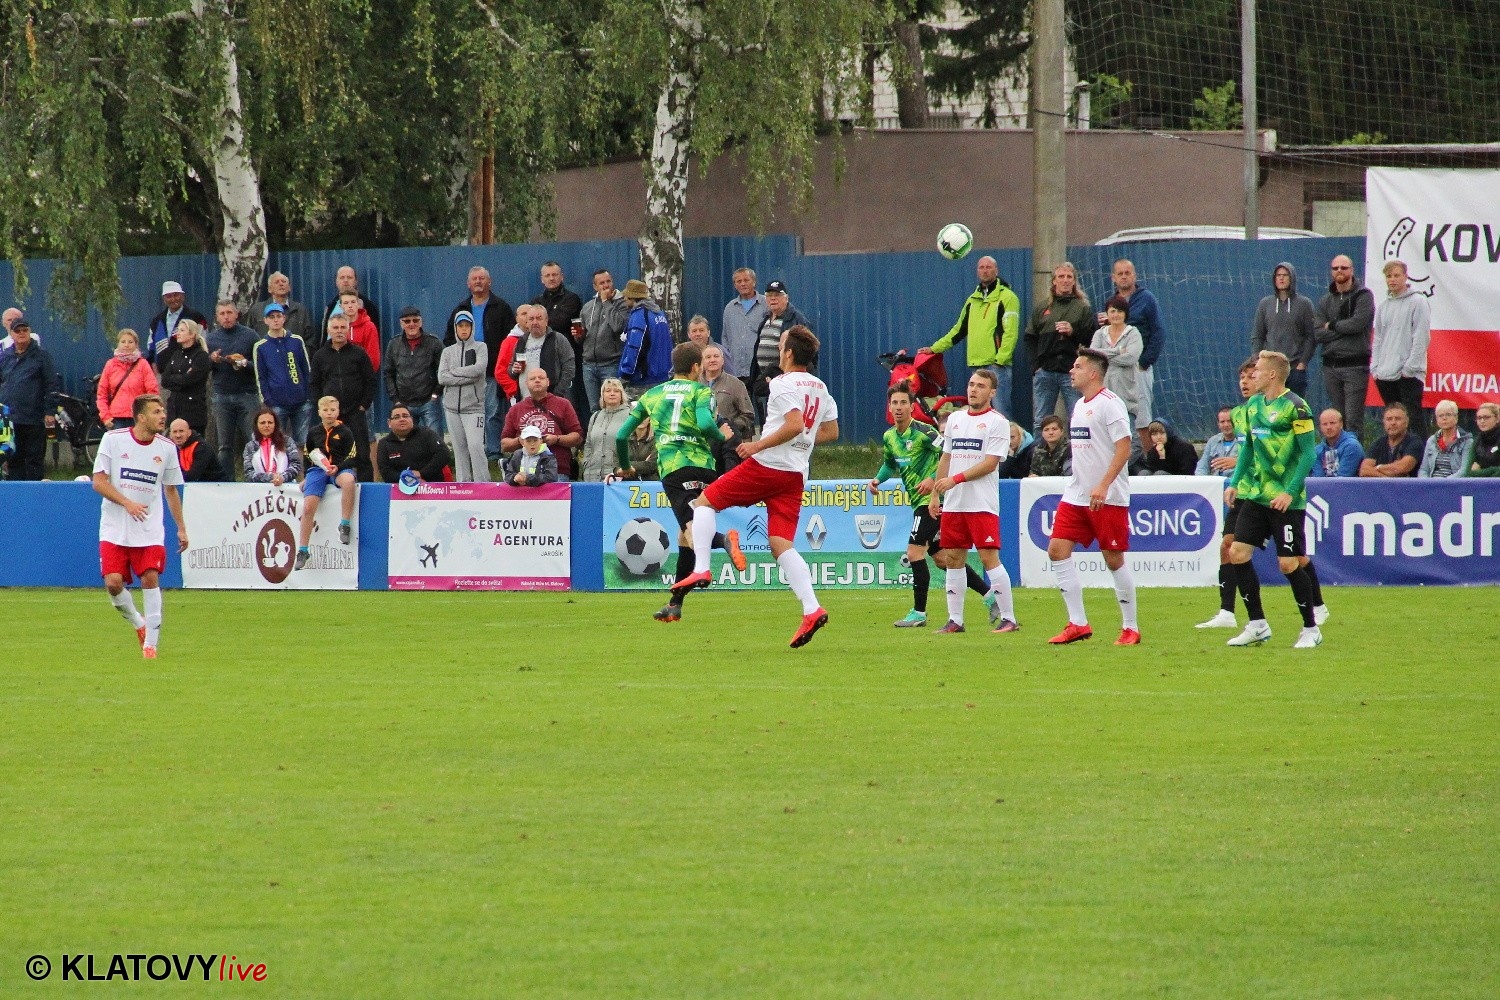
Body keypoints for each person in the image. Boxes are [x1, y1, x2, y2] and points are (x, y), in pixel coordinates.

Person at [673, 325, 839, 648]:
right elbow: (830, 432)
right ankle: (812, 609)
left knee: (705, 502)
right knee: (780, 544)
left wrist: (758, 445)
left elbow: (794, 424)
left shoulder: (782, 383)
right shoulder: (820, 387)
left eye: (781, 344)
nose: (778, 348)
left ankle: (702, 568)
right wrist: (800, 442)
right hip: (795, 474)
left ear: (788, 352)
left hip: (768, 466)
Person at [616, 343, 749, 622]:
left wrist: (626, 466)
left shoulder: (652, 395)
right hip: (704, 468)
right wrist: (721, 436)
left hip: (675, 469)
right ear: (696, 367)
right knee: (684, 536)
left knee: (690, 529)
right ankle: (675, 604)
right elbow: (706, 424)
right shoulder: (702, 391)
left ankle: (723, 540)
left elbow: (621, 435)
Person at [869, 384, 1003, 628]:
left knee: (914, 553)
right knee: (942, 558)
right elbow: (890, 464)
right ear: (889, 407)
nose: (898, 407)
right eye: (894, 403)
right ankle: (990, 596)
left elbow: (948, 454)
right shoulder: (889, 437)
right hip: (918, 501)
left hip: (932, 501)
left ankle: (919, 613)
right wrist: (878, 479)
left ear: (912, 407)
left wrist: (933, 479)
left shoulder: (924, 432)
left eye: (903, 403)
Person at [1223, 351, 1322, 649]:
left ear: (1273, 375)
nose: (1252, 375)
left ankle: (1311, 629)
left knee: (1288, 564)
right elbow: (1248, 449)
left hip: (1286, 501)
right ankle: (1257, 625)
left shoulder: (1297, 407)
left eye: (1257, 370)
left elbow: (1308, 454)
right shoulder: (1253, 406)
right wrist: (1235, 482)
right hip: (1257, 496)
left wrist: (1289, 491)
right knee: (1237, 552)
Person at [1046, 349, 1139, 645]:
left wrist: (1103, 485)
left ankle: (1131, 627)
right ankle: (1078, 623)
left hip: (1106, 496)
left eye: (1078, 366)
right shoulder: (1078, 406)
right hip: (1076, 495)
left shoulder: (1110, 404)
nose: (1071, 371)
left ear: (1093, 373)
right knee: (1057, 550)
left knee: (1113, 558)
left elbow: (1124, 447)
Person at [921, 368, 1020, 635]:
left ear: (992, 392)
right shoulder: (955, 419)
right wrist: (935, 494)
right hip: (955, 503)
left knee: (989, 558)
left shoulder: (997, 422)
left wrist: (955, 480)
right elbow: (946, 457)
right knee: (953, 558)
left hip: (981, 503)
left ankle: (1009, 618)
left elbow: (990, 463)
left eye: (981, 386)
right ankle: (955, 620)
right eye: (971, 384)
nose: (973, 389)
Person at [93, 394, 186, 659]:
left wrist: (181, 528)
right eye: (156, 412)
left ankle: (151, 646)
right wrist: (127, 503)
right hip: (115, 527)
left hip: (149, 528)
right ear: (141, 417)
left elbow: (171, 490)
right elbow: (98, 482)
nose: (163, 416)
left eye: (163, 411)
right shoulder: (113, 440)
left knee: (150, 577)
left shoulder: (167, 448)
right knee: (113, 584)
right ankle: (138, 622)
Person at [1197, 360, 1257, 630]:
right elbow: (1248, 451)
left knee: (1292, 560)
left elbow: (1273, 454)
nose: (1244, 382)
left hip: (1267, 492)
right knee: (1228, 547)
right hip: (1244, 490)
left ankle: (1314, 608)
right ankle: (1227, 612)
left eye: (1250, 376)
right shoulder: (1241, 414)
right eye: (1242, 377)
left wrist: (1237, 463)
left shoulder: (1277, 411)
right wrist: (1236, 480)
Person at [920, 256, 1020, 413]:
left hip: (997, 367)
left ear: (996, 270)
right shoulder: (972, 300)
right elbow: (958, 331)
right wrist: (934, 349)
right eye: (981, 267)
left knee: (1001, 412)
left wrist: (1000, 360)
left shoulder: (1007, 297)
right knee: (978, 410)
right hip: (976, 364)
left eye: (989, 267)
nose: (985, 270)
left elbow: (1011, 332)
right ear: (977, 271)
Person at [444, 266, 515, 464]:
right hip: (465, 372)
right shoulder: (461, 309)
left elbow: (510, 339)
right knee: (468, 411)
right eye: (474, 279)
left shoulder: (501, 307)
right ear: (468, 284)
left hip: (491, 370)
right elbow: (448, 339)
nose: (478, 282)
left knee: (492, 412)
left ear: (489, 282)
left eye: (482, 278)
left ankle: (493, 451)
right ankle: (470, 451)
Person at [1098, 259, 1166, 453]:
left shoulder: (1147, 299)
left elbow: (1159, 332)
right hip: (1114, 371)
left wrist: (1144, 362)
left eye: (1127, 273)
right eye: (1120, 273)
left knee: (1142, 418)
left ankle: (1146, 460)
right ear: (1113, 278)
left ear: (1134, 275)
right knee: (1115, 416)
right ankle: (1119, 459)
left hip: (1137, 369)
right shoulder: (1111, 302)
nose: (1124, 276)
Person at [1026, 262, 1094, 431]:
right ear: (1054, 281)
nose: (1065, 280)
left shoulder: (1083, 308)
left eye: (1069, 277)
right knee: (1041, 420)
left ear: (1074, 281)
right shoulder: (1042, 307)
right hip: (1045, 371)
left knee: (1077, 418)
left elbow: (1090, 340)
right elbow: (1029, 337)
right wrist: (1035, 366)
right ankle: (1040, 449)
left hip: (1071, 371)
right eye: (1061, 276)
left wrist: (1073, 332)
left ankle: (1076, 448)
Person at [308, 313, 376, 481]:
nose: (339, 331)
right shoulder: (320, 356)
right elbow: (314, 383)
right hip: (331, 414)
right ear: (328, 330)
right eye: (335, 327)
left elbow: (370, 380)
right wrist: (321, 406)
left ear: (348, 329)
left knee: (362, 453)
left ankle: (366, 487)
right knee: (331, 452)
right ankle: (334, 485)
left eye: (343, 327)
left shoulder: (359, 353)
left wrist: (364, 405)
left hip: (355, 412)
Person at [1314, 254, 1375, 439]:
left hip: (1355, 367)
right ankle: (1338, 454)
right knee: (1337, 420)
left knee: (1353, 420)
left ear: (1352, 270)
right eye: (1335, 268)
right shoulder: (1325, 300)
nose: (1339, 270)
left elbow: (1357, 325)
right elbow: (1318, 333)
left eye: (1344, 267)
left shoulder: (1364, 296)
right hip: (1330, 367)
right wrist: (1343, 329)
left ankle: (1354, 455)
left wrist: (1332, 325)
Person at [296, 395, 359, 570]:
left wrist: (338, 467)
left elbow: (353, 456)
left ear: (338, 412)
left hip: (339, 468)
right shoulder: (313, 432)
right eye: (325, 410)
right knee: (308, 507)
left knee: (349, 481)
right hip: (318, 470)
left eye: (332, 410)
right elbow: (308, 455)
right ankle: (303, 550)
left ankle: (344, 524)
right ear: (319, 412)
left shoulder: (345, 431)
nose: (329, 413)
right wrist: (306, 476)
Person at [1371, 260, 1430, 438]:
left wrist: (1410, 368)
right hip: (1385, 374)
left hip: (1409, 374)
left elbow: (1421, 336)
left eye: (1396, 275)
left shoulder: (1418, 301)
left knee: (1413, 419)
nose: (1392, 279)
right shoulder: (1383, 306)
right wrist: (1375, 368)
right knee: (1394, 421)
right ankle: (1397, 453)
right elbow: (1378, 339)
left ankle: (1419, 454)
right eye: (1389, 276)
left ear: (1405, 276)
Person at [0, 318, 60, 480]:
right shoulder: (4, 357)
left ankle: (35, 491)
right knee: (13, 459)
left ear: (29, 332)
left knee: (34, 459)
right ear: (11, 334)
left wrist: (50, 411)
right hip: (9, 419)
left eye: (24, 330)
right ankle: (16, 492)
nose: (21, 333)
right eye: (17, 331)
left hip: (33, 417)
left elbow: (52, 384)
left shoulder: (41, 356)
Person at [206, 301, 259, 477]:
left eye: (229, 312)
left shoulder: (250, 336)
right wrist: (212, 360)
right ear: (217, 317)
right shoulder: (211, 339)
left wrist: (243, 363)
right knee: (224, 445)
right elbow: (204, 368)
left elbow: (260, 365)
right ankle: (227, 482)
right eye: (222, 314)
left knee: (254, 440)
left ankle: (256, 477)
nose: (226, 317)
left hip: (247, 394)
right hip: (222, 395)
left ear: (237, 314)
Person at [501, 368, 584, 480]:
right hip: (523, 474)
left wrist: (557, 439)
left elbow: (577, 437)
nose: (537, 380)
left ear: (548, 382)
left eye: (541, 378)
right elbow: (504, 444)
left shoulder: (563, 404)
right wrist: (521, 441)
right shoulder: (516, 409)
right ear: (526, 383)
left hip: (557, 471)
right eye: (532, 379)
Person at [1249, 263, 1316, 397]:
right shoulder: (1265, 304)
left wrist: (1302, 363)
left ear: (1292, 278)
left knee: (1293, 406)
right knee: (1271, 407)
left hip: (1295, 370)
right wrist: (1257, 359)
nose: (1281, 278)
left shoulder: (1304, 304)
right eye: (1278, 275)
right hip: (1270, 371)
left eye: (1285, 275)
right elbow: (1258, 335)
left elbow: (1311, 337)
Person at [748, 280, 812, 419]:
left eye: (777, 295)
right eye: (769, 295)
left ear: (786, 298)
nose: (773, 298)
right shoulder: (765, 320)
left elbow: (808, 353)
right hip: (766, 382)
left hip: (786, 382)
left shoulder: (797, 320)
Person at [437, 311, 489, 482]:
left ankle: (482, 484)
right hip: (452, 408)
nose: (464, 329)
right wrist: (466, 377)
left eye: (467, 325)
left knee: (475, 446)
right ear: (455, 328)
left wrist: (455, 371)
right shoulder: (447, 352)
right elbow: (442, 378)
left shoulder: (480, 347)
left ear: (472, 328)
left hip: (474, 408)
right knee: (459, 449)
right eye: (461, 326)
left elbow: (478, 370)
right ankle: (463, 484)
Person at [253, 301, 314, 446]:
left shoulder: (296, 341)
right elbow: (261, 377)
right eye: (271, 317)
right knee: (278, 442)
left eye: (278, 316)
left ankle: (301, 462)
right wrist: (268, 401)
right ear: (265, 320)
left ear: (284, 318)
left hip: (301, 402)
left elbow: (306, 370)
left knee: (302, 442)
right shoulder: (261, 347)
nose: (275, 320)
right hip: (276, 404)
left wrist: (307, 395)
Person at [532, 261, 585, 417]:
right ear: (542, 279)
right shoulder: (536, 301)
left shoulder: (571, 299)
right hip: (540, 359)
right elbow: (529, 325)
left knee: (567, 403)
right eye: (547, 275)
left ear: (562, 277)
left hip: (564, 359)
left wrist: (541, 323)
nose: (551, 278)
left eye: (554, 274)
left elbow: (561, 322)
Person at [1089, 295, 1144, 439]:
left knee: (1128, 437)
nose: (1116, 315)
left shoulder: (1133, 333)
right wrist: (1118, 351)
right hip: (1101, 394)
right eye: (1112, 311)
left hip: (1126, 395)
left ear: (1125, 314)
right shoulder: (1099, 334)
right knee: (1103, 438)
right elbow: (1092, 355)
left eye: (1119, 311)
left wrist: (1103, 357)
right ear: (1107, 314)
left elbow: (1130, 358)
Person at [578, 269, 629, 421]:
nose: (606, 285)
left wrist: (606, 302)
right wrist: (578, 336)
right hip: (589, 365)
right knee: (594, 408)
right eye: (601, 283)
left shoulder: (622, 303)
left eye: (608, 281)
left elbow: (618, 326)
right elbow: (582, 337)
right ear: (595, 287)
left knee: (612, 406)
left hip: (611, 364)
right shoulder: (588, 307)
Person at [383, 306, 444, 433]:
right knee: (405, 440)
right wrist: (395, 399)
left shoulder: (434, 343)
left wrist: (436, 393)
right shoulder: (393, 344)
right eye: (407, 321)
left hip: (429, 402)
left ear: (421, 322)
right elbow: (388, 373)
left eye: (415, 320)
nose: (412, 324)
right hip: (403, 403)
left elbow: (444, 370)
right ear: (401, 324)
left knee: (435, 440)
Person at [700, 344, 755, 473]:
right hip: (700, 445)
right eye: (708, 357)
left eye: (716, 356)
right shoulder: (695, 384)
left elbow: (748, 415)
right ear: (701, 362)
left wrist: (730, 425)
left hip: (727, 446)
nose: (712, 360)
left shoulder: (736, 384)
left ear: (723, 360)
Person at [96, 329, 160, 430]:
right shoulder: (110, 364)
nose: (126, 345)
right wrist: (105, 416)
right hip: (116, 419)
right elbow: (102, 394)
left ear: (136, 344)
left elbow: (152, 391)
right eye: (123, 342)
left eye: (130, 342)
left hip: (139, 417)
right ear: (118, 344)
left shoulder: (143, 364)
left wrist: (148, 413)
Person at [618, 279, 673, 396]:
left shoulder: (639, 315)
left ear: (632, 297)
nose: (624, 299)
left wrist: (625, 374)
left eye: (626, 296)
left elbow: (635, 347)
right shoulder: (659, 314)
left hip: (643, 381)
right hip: (663, 377)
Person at [158, 319, 211, 435]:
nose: (178, 333)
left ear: (192, 334)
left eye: (182, 330)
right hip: (174, 411)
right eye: (178, 330)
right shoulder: (176, 354)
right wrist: (182, 378)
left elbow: (189, 380)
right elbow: (165, 380)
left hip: (193, 414)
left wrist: (178, 379)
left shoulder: (201, 356)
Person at [377, 402, 453, 484]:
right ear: (389, 423)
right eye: (396, 417)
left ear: (412, 419)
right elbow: (385, 471)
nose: (402, 419)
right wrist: (409, 481)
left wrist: (421, 474)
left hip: (432, 485)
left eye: (405, 416)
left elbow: (444, 454)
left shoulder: (426, 434)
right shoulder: (384, 444)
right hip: (399, 487)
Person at [143, 280, 208, 366]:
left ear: (183, 296)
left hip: (189, 369)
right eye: (169, 296)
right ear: (164, 299)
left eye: (176, 295)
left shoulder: (196, 317)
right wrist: (153, 366)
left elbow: (202, 342)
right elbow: (151, 348)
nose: (173, 299)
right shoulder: (156, 321)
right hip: (161, 371)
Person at [580, 378, 631, 483]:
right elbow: (588, 444)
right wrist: (586, 462)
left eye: (616, 391)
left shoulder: (630, 415)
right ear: (602, 395)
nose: (612, 393)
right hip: (592, 474)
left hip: (617, 475)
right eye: (608, 391)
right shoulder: (595, 416)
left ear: (622, 395)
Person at [721, 267, 767, 383]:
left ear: (754, 282)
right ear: (735, 285)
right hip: (736, 371)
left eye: (746, 280)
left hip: (760, 371)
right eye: (739, 281)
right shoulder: (730, 308)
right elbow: (725, 337)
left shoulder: (766, 304)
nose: (743, 284)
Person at [243, 406, 304, 487]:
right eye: (262, 423)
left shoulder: (287, 441)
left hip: (286, 486)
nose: (266, 425)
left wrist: (282, 477)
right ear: (256, 425)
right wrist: (271, 477)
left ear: (275, 424)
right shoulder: (250, 446)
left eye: (270, 422)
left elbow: (296, 464)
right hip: (259, 489)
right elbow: (248, 473)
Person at [250, 271, 313, 347]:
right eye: (276, 282)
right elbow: (249, 337)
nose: (281, 284)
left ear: (289, 287)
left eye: (284, 281)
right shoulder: (257, 310)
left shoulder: (300, 310)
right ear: (269, 289)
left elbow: (310, 340)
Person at [1359, 403, 1423, 478]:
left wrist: (1378, 467)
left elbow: (1402, 468)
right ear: (1384, 423)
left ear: (1406, 422)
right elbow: (1364, 470)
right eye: (1389, 419)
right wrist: (1386, 479)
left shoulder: (1414, 442)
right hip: (1381, 485)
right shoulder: (1378, 443)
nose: (1393, 423)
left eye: (1398, 419)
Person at [321, 265, 381, 342]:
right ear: (336, 282)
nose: (345, 280)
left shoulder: (368, 306)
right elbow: (324, 337)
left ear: (356, 281)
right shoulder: (330, 307)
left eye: (349, 277)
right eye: (342, 277)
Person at [1418, 399, 1473, 479]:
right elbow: (1424, 470)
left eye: (1448, 415)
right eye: (1440, 416)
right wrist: (1426, 483)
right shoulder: (1431, 441)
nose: (1444, 418)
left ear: (1456, 417)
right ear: (1437, 419)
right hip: (1431, 483)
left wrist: (1444, 483)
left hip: (1454, 484)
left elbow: (1464, 471)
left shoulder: (1467, 441)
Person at [336, 291, 382, 375]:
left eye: (353, 302)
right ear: (340, 306)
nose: (350, 306)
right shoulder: (337, 327)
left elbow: (373, 359)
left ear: (358, 304)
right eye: (346, 303)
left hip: (362, 378)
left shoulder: (369, 327)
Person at [1310, 408, 1365, 478]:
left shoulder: (1352, 446)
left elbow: (1343, 479)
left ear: (1341, 424)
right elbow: (1317, 479)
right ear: (1320, 427)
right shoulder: (1317, 451)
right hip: (1324, 485)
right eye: (1324, 424)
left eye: (1332, 423)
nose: (1328, 427)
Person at [170, 417, 225, 482]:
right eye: (175, 432)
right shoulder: (170, 448)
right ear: (170, 434)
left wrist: (169, 477)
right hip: (190, 484)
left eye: (181, 431)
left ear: (189, 432)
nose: (178, 435)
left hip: (216, 484)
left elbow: (192, 476)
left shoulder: (202, 447)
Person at [1194, 407, 1239, 478]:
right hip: (1215, 482)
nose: (1226, 425)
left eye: (1229, 421)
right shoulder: (1213, 441)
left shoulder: (1247, 441)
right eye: (1222, 422)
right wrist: (1201, 480)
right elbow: (1202, 467)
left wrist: (1238, 462)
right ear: (1218, 424)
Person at [1468, 402, 1500, 477]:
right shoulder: (1477, 440)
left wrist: (1480, 472)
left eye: (1486, 417)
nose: (1482, 421)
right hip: (1480, 483)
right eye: (1479, 418)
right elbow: (1468, 472)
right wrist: (1495, 470)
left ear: (1497, 419)